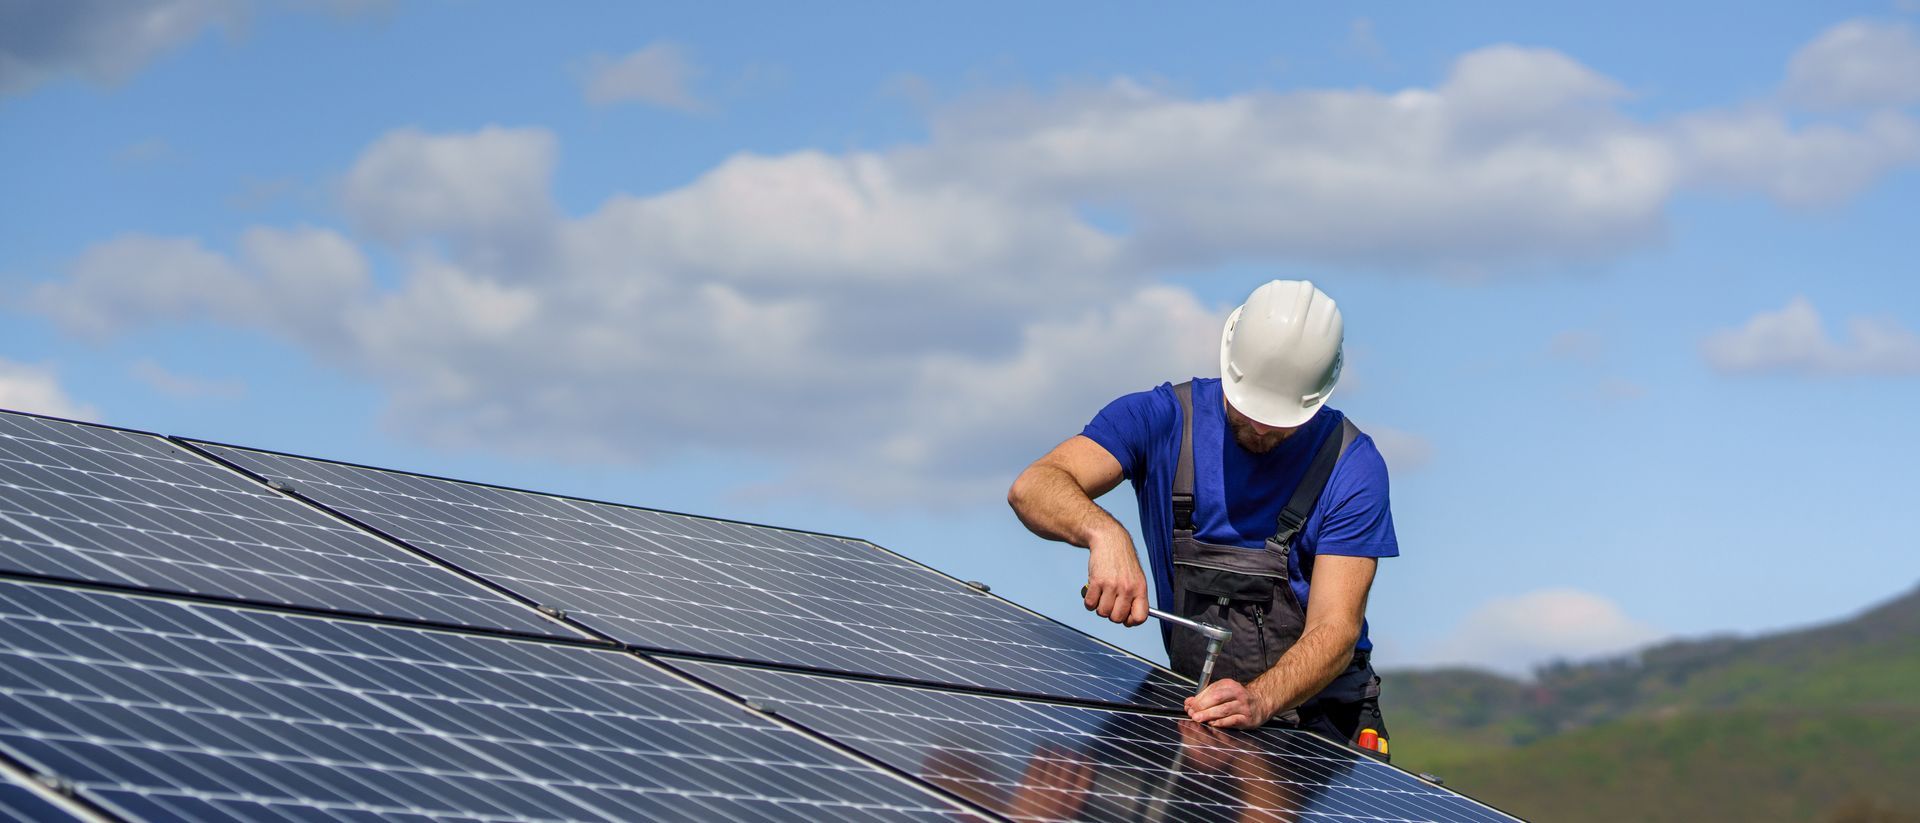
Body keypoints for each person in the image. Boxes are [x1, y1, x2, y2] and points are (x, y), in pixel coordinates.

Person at [1007, 280, 1397, 753]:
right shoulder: (1161, 419)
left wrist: (1258, 699)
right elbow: (1035, 486)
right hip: (1205, 718)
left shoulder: (1351, 465)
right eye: (1250, 407)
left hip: (1323, 719)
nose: (1259, 427)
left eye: (1280, 420)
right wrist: (1104, 533)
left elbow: (1335, 629)